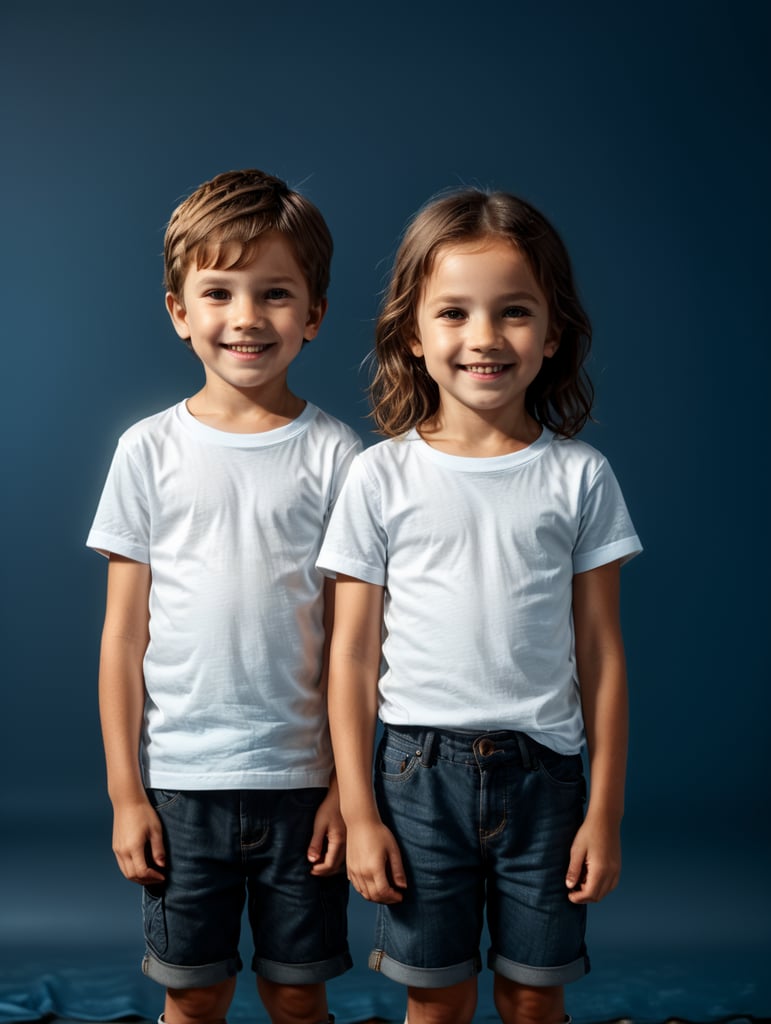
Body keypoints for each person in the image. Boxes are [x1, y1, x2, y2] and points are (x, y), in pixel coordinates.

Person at [317, 188, 642, 1024]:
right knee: (437, 998)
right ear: (413, 335)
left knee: (535, 1000)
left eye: (513, 312)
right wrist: (358, 809)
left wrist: (602, 811)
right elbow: (350, 658)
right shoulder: (378, 476)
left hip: (547, 781)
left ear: (553, 331)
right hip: (415, 778)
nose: (484, 339)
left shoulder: (579, 478)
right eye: (454, 313)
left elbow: (601, 655)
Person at [87, 169, 361, 1024]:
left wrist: (347, 794)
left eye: (274, 294)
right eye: (219, 293)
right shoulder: (147, 451)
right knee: (195, 993)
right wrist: (126, 795)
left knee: (294, 990)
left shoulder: (339, 456)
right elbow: (122, 639)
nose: (246, 317)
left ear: (312, 315)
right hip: (180, 786)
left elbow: (360, 644)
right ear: (179, 311)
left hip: (303, 785)